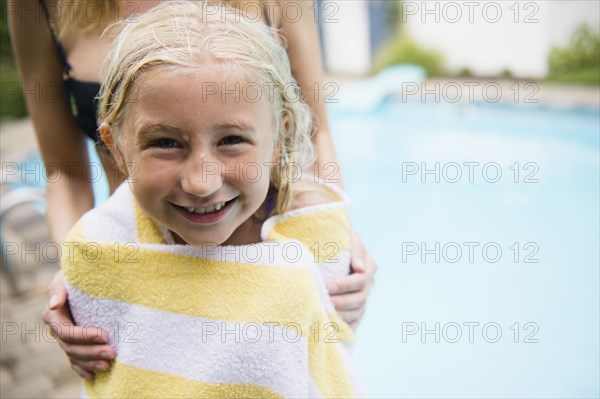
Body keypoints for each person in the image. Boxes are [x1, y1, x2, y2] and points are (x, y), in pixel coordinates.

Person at [8, 0, 376, 380]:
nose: (202, 182)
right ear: (114, 144)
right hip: (138, 271)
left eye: (231, 138)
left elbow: (314, 130)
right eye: (165, 143)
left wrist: (334, 234)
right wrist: (78, 270)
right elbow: (64, 173)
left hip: (267, 258)